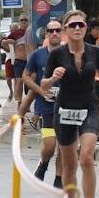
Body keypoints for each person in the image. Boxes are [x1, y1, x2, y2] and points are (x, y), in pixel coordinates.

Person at [42, 10, 99, 198]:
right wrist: (53, 78)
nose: (78, 29)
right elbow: (43, 85)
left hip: (89, 107)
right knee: (70, 164)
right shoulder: (57, 54)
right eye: (72, 26)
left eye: (81, 25)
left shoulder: (94, 52)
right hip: (64, 110)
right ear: (65, 30)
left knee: (87, 158)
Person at [24, 19, 64, 187]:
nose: (54, 33)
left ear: (62, 33)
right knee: (50, 145)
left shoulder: (69, 53)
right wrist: (40, 91)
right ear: (46, 34)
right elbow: (26, 76)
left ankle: (59, 178)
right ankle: (43, 164)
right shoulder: (38, 55)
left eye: (57, 30)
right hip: (46, 106)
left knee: (64, 145)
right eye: (51, 31)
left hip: (66, 105)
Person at [3, 15, 32, 109]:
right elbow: (3, 42)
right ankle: (19, 103)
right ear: (19, 22)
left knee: (29, 83)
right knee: (19, 81)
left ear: (28, 21)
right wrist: (9, 48)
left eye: (25, 20)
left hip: (30, 61)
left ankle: (27, 103)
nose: (23, 21)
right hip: (18, 60)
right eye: (21, 20)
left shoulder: (32, 32)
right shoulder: (15, 33)